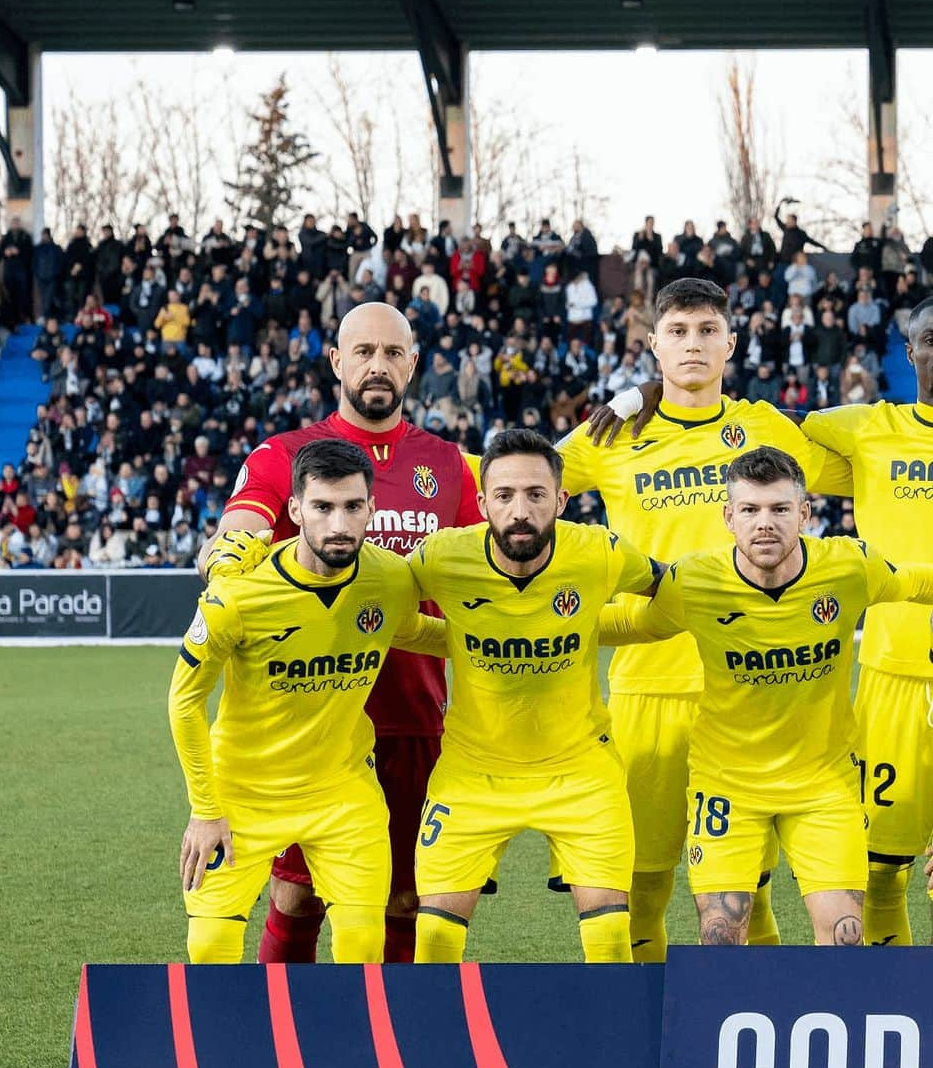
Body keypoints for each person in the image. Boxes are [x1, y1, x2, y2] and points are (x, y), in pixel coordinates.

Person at [555, 278, 853, 961]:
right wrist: (629, 398)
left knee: (752, 885)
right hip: (649, 685)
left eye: (707, 330)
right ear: (653, 344)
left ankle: (755, 1030)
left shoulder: (768, 427)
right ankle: (647, 1029)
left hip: (752, 689)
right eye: (679, 332)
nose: (694, 344)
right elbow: (523, 481)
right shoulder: (613, 432)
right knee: (646, 880)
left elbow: (860, 469)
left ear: (731, 342)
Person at [198, 301, 480, 965]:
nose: (377, 366)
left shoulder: (447, 465)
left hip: (415, 717)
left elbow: (476, 581)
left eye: (392, 353)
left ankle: (393, 1039)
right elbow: (238, 532)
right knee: (297, 898)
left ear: (413, 364)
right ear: (336, 361)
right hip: (307, 726)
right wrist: (224, 562)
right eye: (363, 352)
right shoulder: (283, 456)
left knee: (405, 898)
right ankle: (279, 1036)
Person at [599, 446, 933, 946]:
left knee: (846, 939)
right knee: (719, 940)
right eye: (750, 510)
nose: (765, 524)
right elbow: (637, 624)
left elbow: (913, 581)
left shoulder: (848, 567)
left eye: (780, 509)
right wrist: (549, 623)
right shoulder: (693, 581)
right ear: (728, 516)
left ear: (804, 513)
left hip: (823, 785)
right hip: (727, 785)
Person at [169, 439, 447, 965]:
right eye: (322, 507)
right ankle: (245, 1046)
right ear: (295, 511)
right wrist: (206, 812)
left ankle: (352, 1046)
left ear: (371, 508)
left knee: (364, 944)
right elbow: (184, 701)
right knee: (208, 950)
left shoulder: (387, 577)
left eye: (352, 507)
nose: (339, 524)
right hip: (242, 795)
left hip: (343, 793)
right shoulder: (239, 594)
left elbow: (412, 629)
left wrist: (496, 636)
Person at [407, 429, 661, 964]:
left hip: (581, 770)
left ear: (562, 500)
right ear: (480, 504)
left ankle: (607, 1047)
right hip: (473, 772)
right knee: (431, 942)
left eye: (535, 495)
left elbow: (671, 590)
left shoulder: (599, 552)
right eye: (503, 496)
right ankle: (436, 1047)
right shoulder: (441, 557)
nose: (519, 511)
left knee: (613, 943)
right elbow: (369, 596)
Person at [801, 296, 933, 945]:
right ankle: (899, 1012)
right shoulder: (871, 429)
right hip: (891, 678)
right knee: (883, 873)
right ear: (912, 354)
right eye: (930, 338)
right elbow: (778, 431)